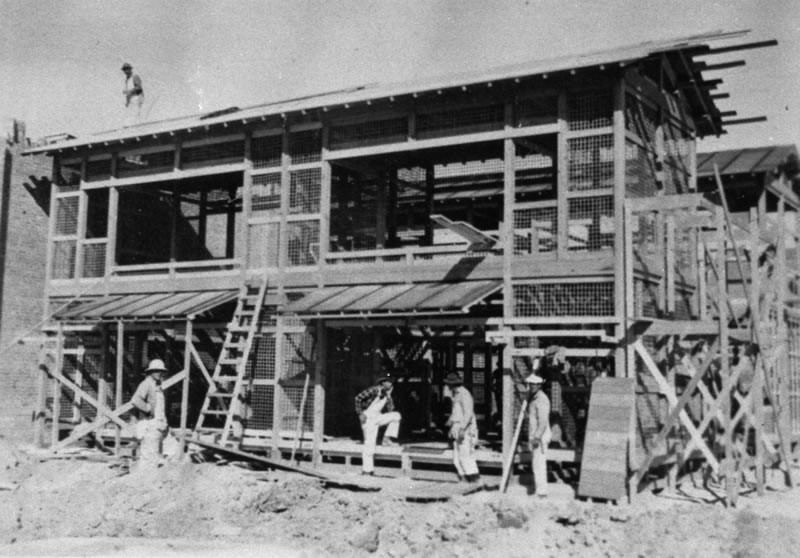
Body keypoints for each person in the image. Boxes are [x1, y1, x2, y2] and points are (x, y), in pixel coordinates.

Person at [354, 375, 402, 476]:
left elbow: (391, 409)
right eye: (388, 382)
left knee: (396, 416)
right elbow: (358, 398)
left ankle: (387, 439)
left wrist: (389, 396)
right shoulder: (374, 390)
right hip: (368, 418)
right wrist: (360, 413)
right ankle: (367, 470)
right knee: (370, 444)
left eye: (391, 382)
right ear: (383, 383)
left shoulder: (386, 394)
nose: (390, 384)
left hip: (377, 417)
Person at [444, 372, 481, 484]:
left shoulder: (464, 394)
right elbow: (456, 413)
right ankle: (464, 478)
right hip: (457, 426)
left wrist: (462, 429)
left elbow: (468, 413)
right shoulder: (455, 395)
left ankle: (474, 479)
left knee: (465, 455)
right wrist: (450, 425)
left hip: (465, 428)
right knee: (457, 457)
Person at [131, 358, 169, 466]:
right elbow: (135, 400)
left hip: (159, 426)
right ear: (151, 372)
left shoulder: (158, 386)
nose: (159, 373)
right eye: (156, 370)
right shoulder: (146, 384)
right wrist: (148, 408)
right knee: (149, 459)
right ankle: (144, 480)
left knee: (156, 457)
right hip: (150, 425)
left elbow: (160, 407)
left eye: (161, 371)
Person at [526, 373, 551, 497]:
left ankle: (542, 492)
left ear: (538, 385)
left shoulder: (542, 399)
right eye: (530, 384)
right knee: (536, 463)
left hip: (540, 437)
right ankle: (539, 489)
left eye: (534, 384)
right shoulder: (534, 398)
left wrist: (537, 437)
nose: (532, 386)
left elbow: (543, 421)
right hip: (535, 435)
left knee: (539, 463)